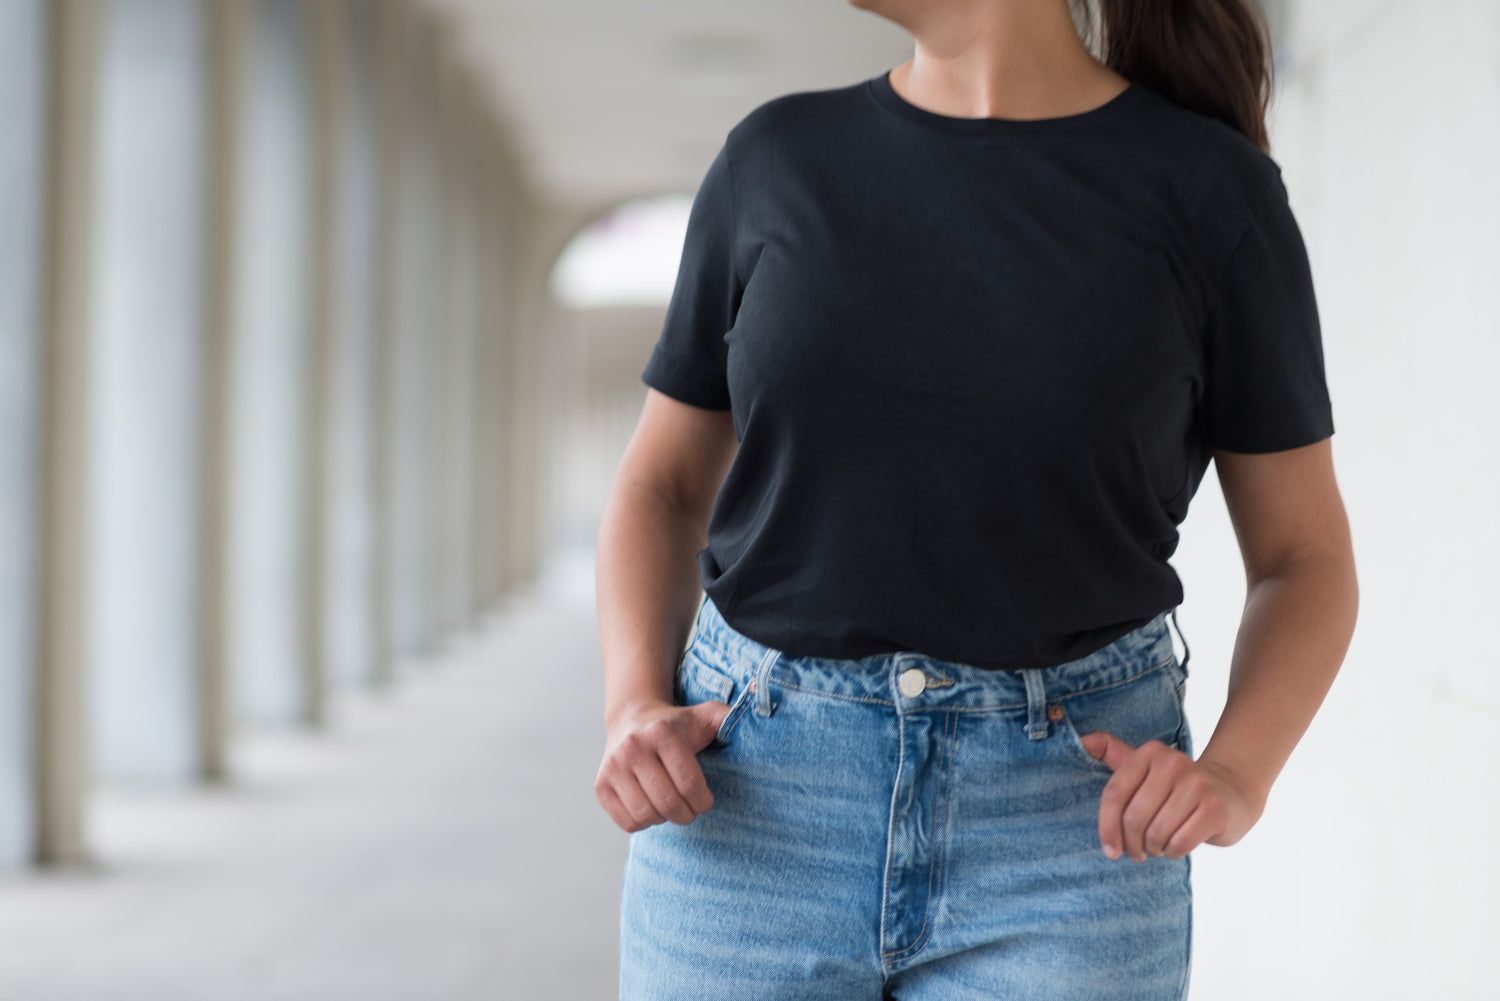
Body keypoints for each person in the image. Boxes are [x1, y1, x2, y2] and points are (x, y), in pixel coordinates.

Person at [594, 0, 1359, 997]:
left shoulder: (1214, 194)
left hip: (1074, 828)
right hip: (750, 803)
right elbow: (661, 480)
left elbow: (1305, 558)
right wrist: (629, 700)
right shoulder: (772, 161)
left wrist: (1235, 775)